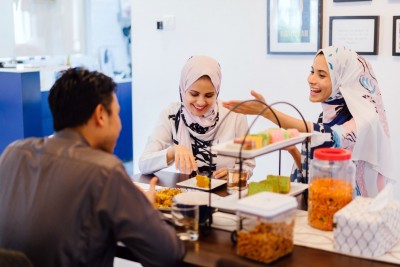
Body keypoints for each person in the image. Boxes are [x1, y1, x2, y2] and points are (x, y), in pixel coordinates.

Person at [0, 68, 185, 267]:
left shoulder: (13, 152)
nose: (120, 125)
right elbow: (167, 254)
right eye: (117, 114)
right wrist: (149, 211)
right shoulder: (105, 171)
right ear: (100, 115)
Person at [222, 45, 392, 198]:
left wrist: (266, 112)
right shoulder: (326, 117)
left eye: (322, 74)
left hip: (353, 217)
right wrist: (294, 152)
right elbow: (313, 173)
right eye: (312, 71)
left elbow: (328, 136)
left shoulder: (366, 121)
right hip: (325, 208)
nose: (311, 79)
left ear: (343, 80)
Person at [139, 55, 255, 178]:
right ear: (183, 89)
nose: (200, 102)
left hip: (224, 194)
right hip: (185, 195)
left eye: (209, 95)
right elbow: (144, 164)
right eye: (194, 94)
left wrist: (235, 174)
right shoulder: (171, 115)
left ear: (217, 91)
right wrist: (173, 151)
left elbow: (248, 164)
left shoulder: (235, 115)